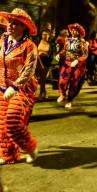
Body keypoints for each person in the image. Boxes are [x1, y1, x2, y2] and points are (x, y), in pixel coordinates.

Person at [0, 8, 39, 164]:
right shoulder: (2, 40)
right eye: (10, 22)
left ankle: (31, 147)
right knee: (2, 124)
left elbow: (29, 69)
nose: (11, 26)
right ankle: (8, 155)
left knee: (13, 121)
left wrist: (15, 87)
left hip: (21, 89)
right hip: (2, 86)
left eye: (16, 23)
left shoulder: (29, 46)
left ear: (24, 27)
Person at [56, 23, 88, 109]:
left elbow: (85, 55)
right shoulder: (68, 40)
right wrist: (59, 55)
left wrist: (77, 60)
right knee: (62, 80)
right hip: (67, 64)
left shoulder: (83, 42)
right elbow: (64, 50)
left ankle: (69, 100)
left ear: (79, 32)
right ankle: (62, 94)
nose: (73, 31)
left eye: (76, 30)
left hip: (77, 66)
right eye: (72, 29)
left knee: (74, 83)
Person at [35, 29, 53, 100]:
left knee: (43, 78)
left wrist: (46, 54)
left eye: (46, 34)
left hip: (46, 61)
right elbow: (35, 50)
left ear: (49, 35)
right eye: (43, 34)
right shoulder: (38, 42)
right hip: (39, 60)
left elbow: (52, 54)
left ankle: (42, 93)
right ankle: (43, 93)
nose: (44, 36)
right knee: (41, 78)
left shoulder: (51, 43)